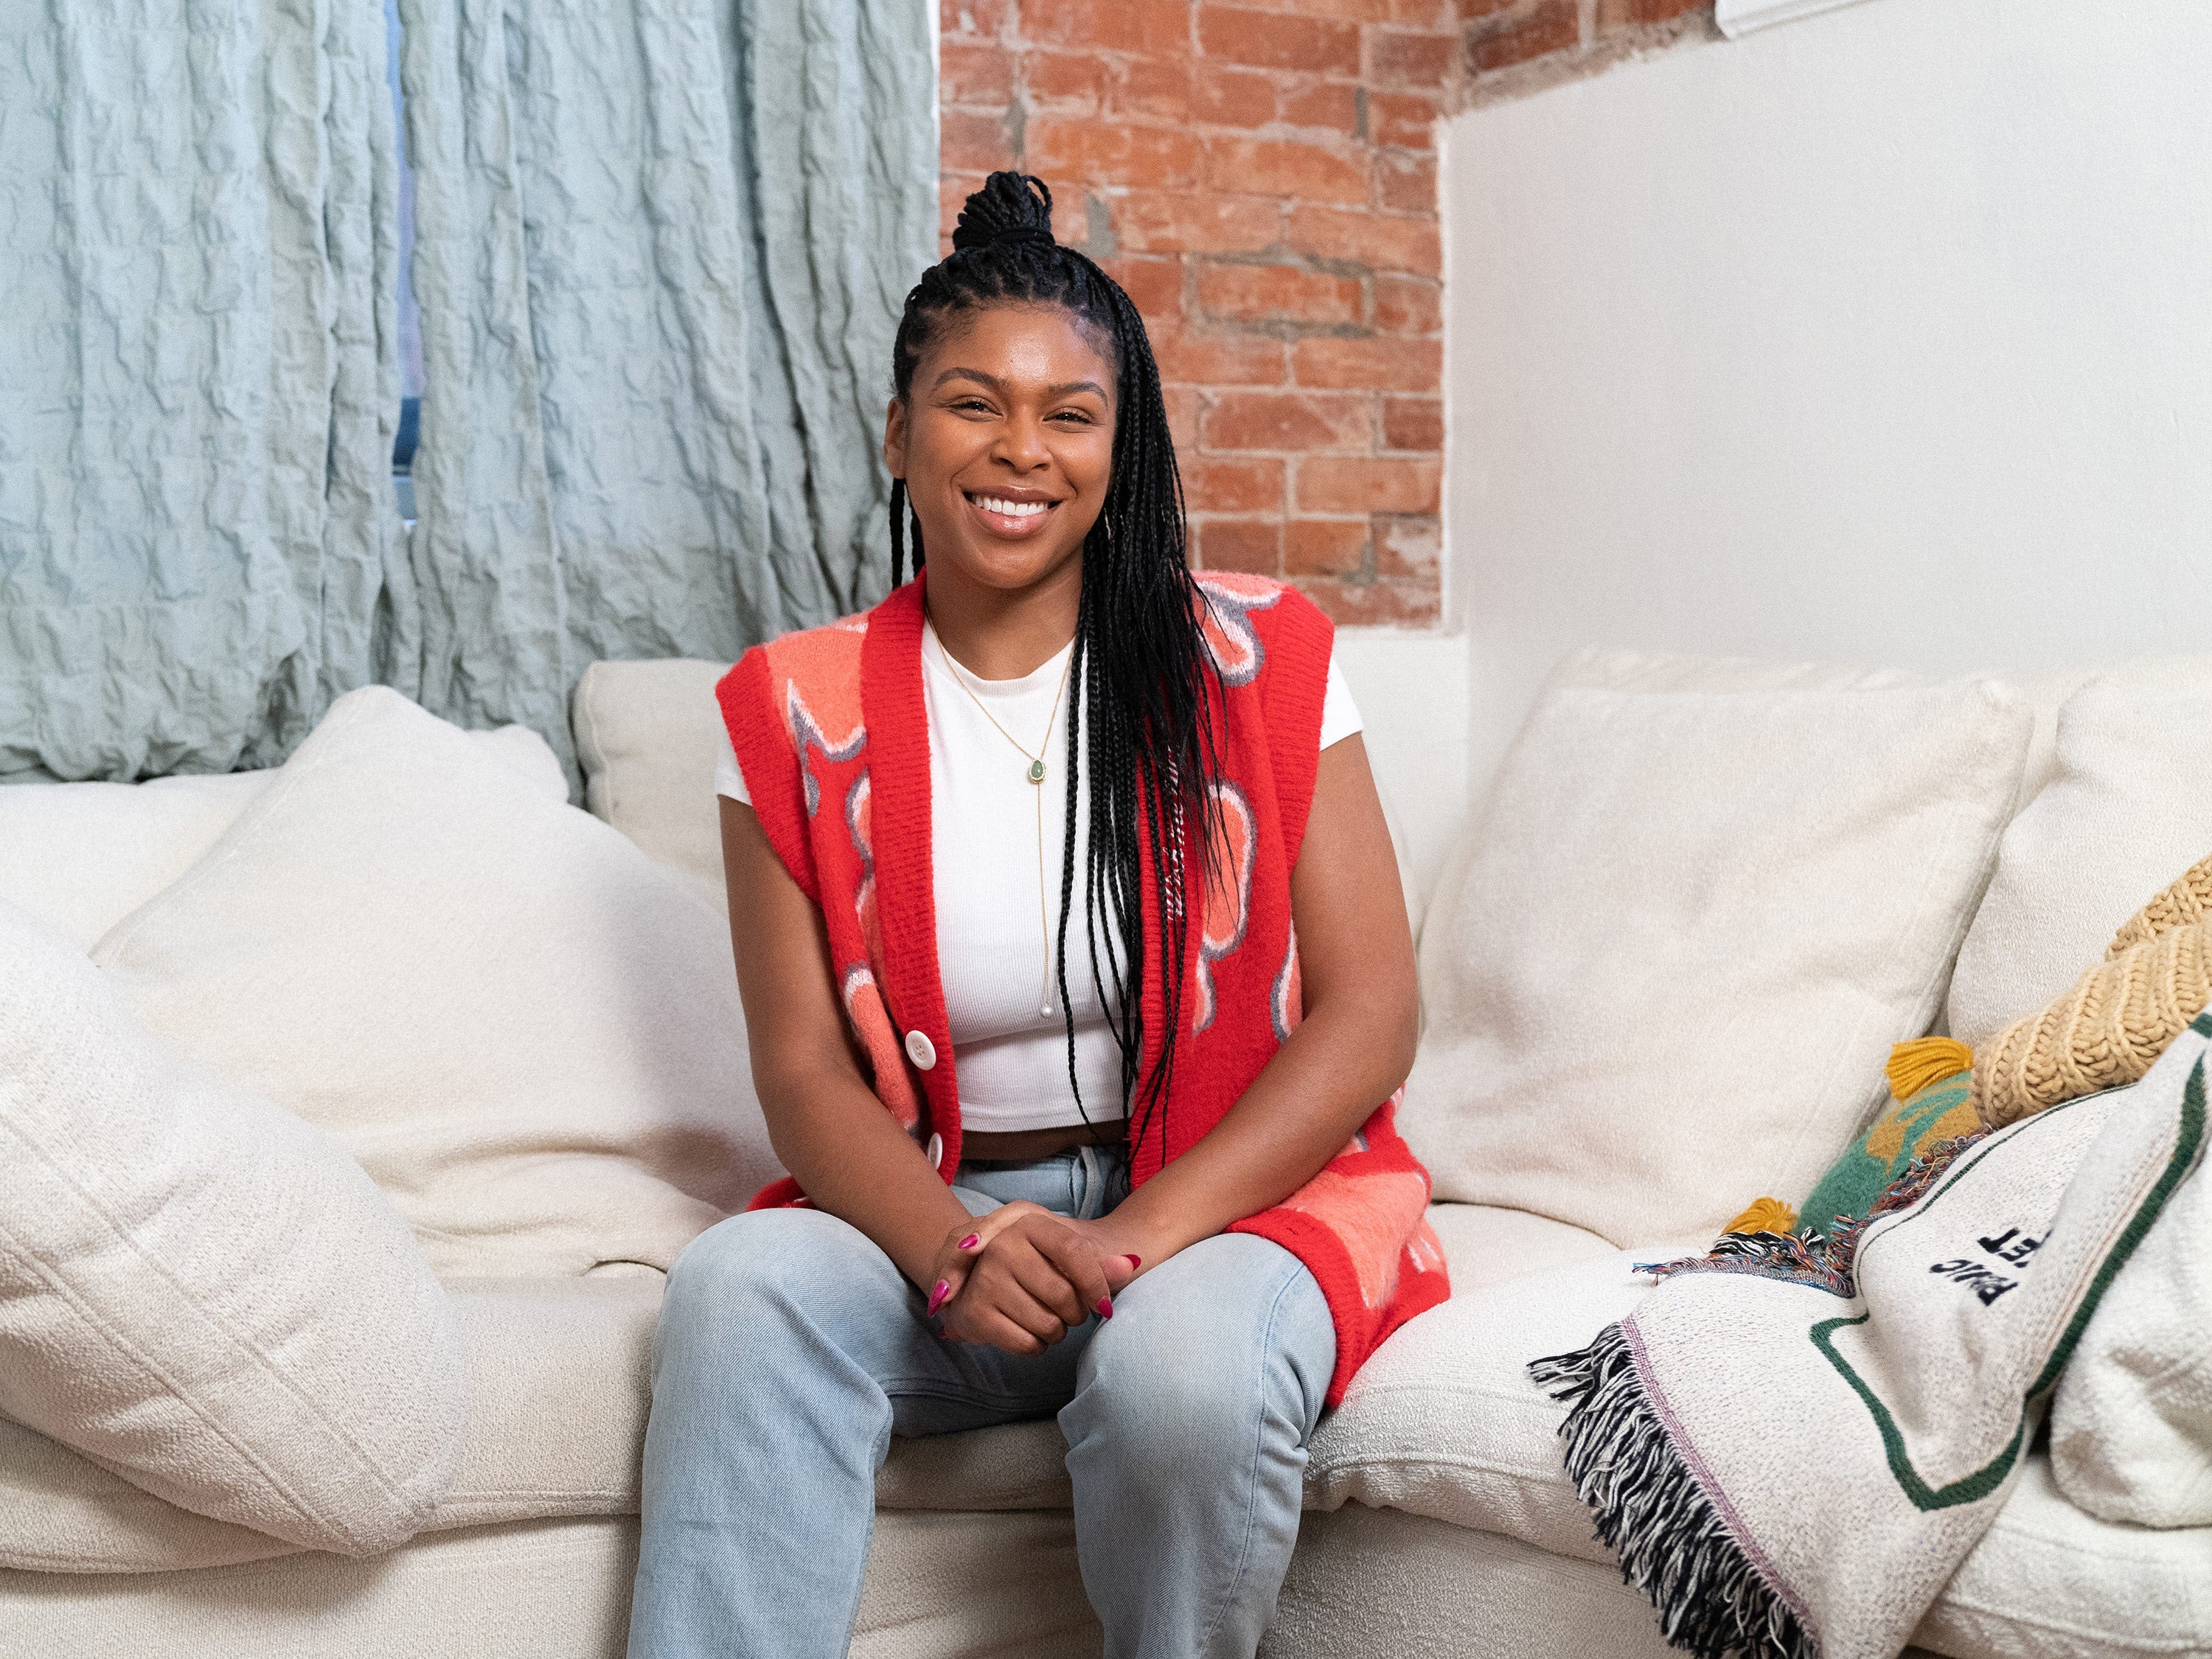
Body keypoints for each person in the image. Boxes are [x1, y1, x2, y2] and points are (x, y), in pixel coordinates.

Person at [627, 172, 1447, 1659]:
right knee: (743, 1284)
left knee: (1183, 1384)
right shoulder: (789, 711)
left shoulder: (1261, 660)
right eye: (970, 404)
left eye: (1071, 413)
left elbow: (1372, 1010)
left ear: (1119, 451)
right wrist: (949, 1245)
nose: (1021, 450)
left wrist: (1132, 1244)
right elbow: (803, 1072)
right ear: (898, 432)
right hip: (939, 1218)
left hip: (1218, 1205)